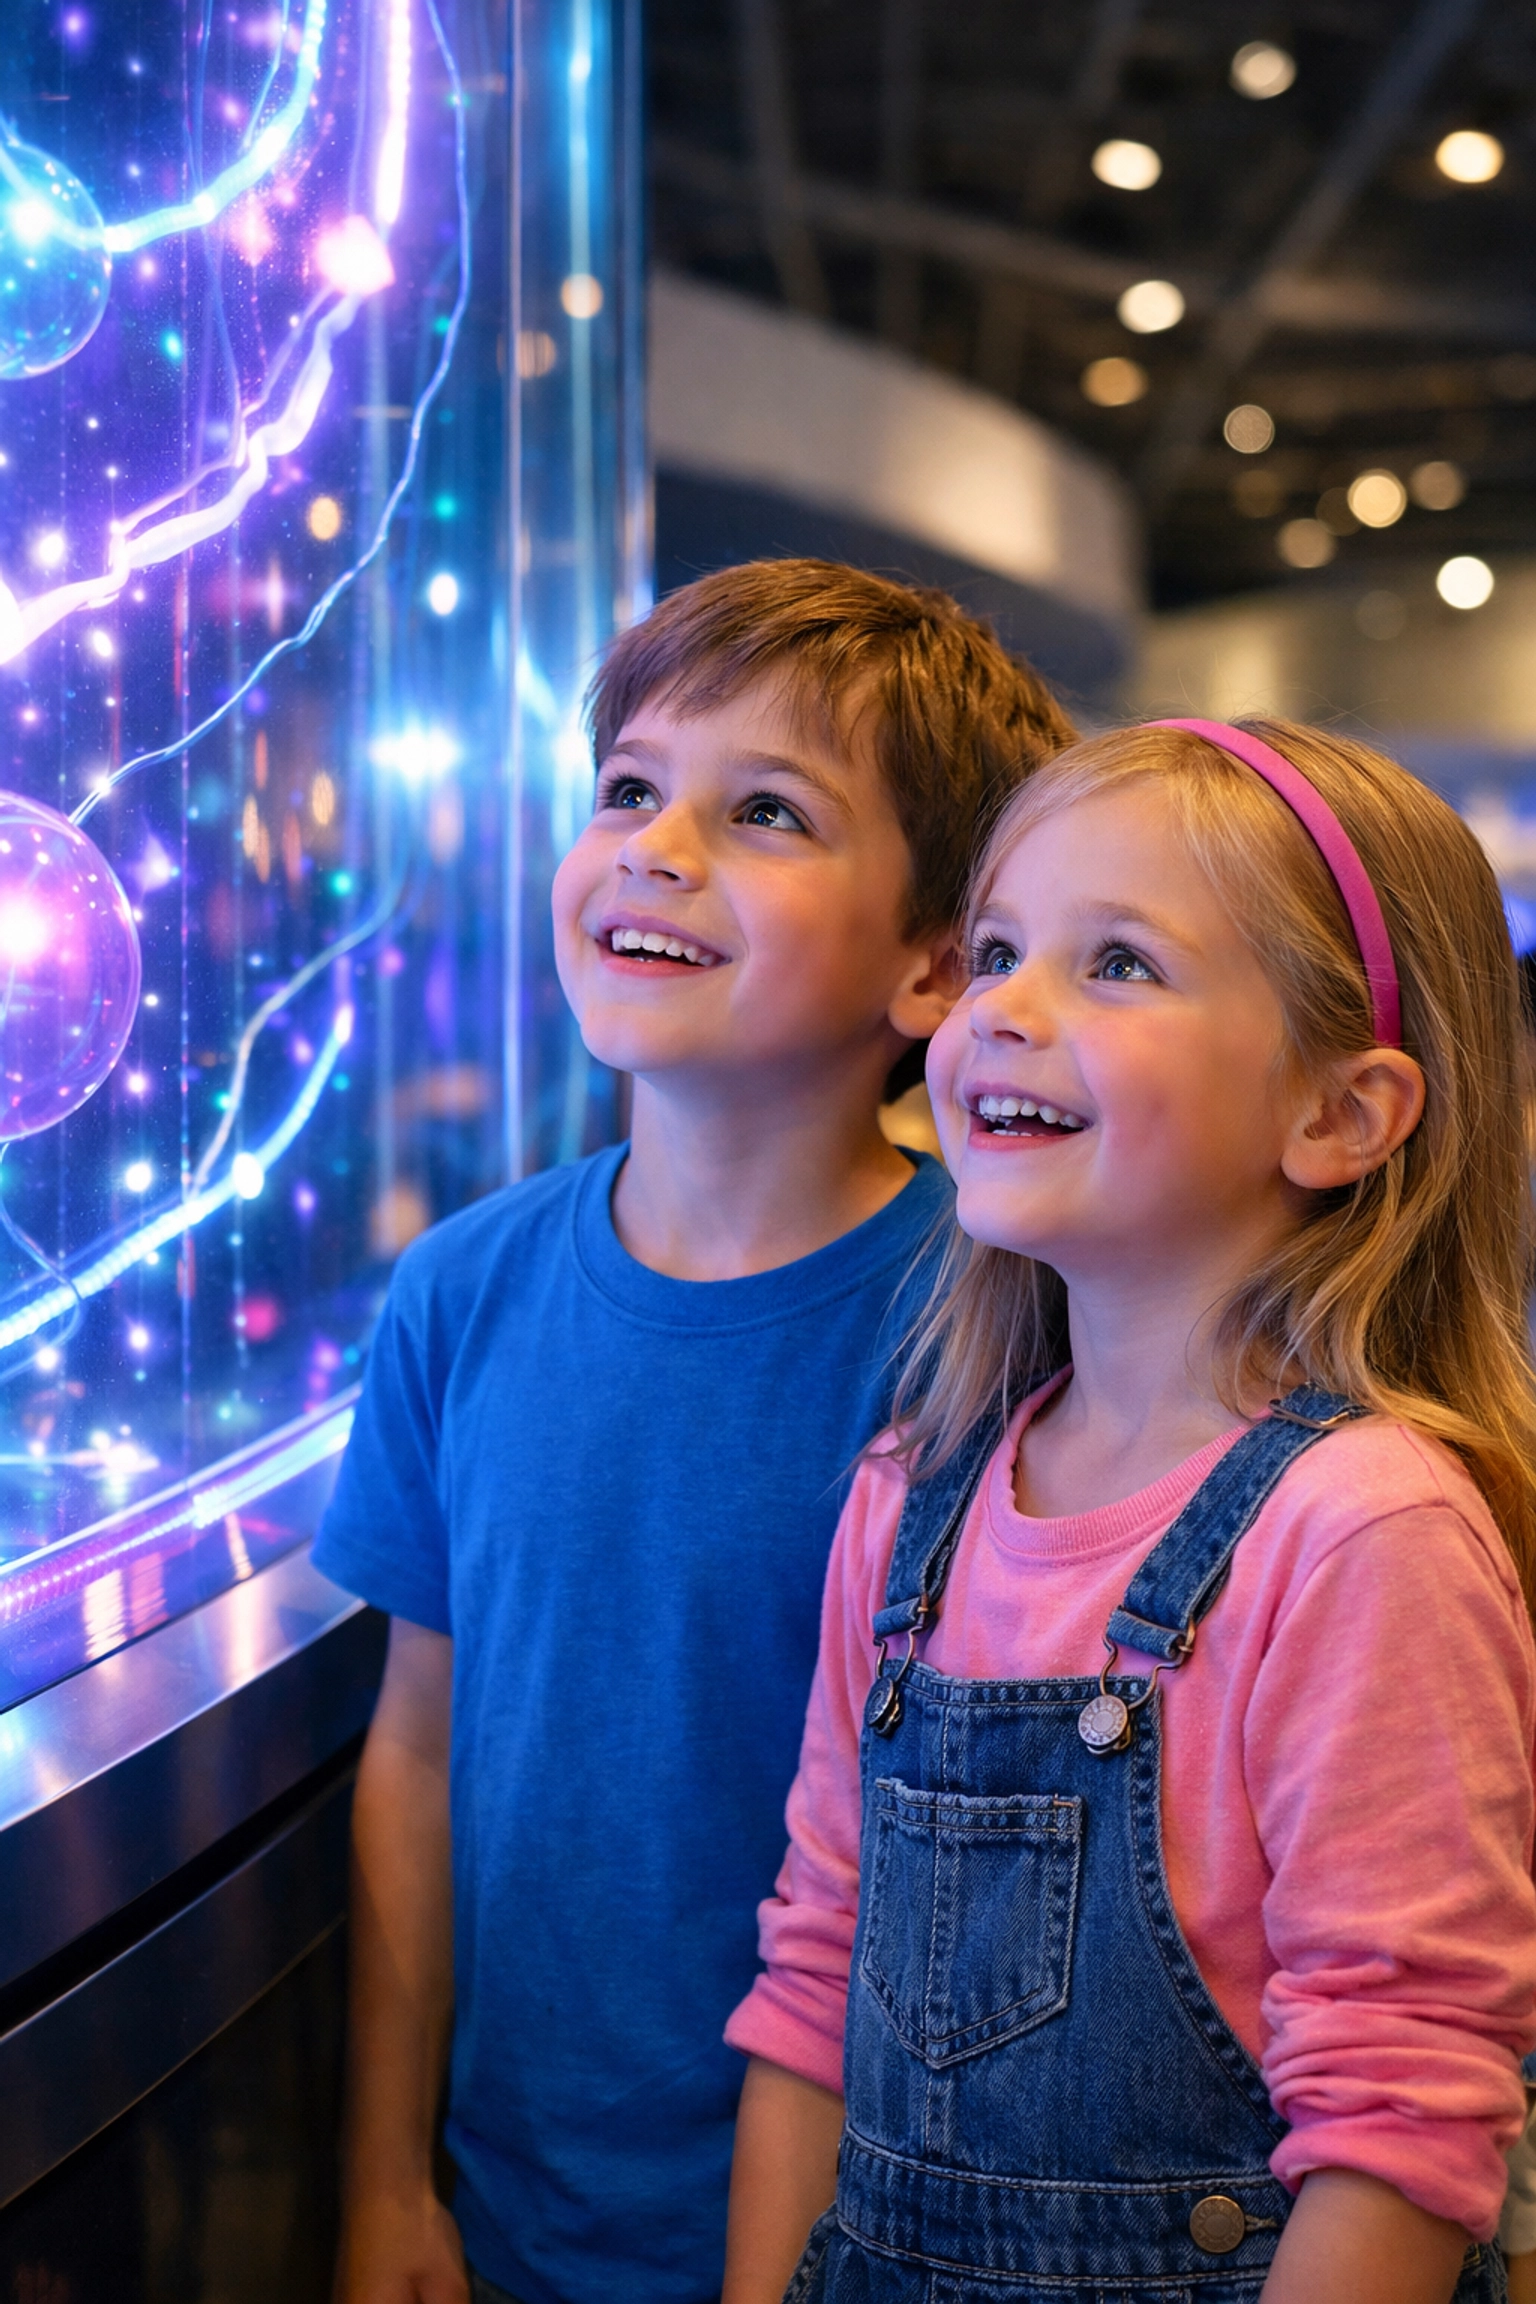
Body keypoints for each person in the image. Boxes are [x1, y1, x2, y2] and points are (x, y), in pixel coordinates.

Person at [317, 558, 1077, 2304]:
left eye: (766, 812)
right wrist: (383, 2183)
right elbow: (417, 1753)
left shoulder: (1002, 1320)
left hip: (886, 2238)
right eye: (629, 788)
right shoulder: (460, 1291)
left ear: (933, 966)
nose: (656, 848)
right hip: (509, 2222)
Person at [722, 716, 1536, 2304]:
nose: (1001, 1011)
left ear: (1340, 1114)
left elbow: (1402, 2122)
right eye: (998, 951)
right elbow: (816, 1974)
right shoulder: (908, 1500)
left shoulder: (1362, 1533)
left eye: (1118, 964)